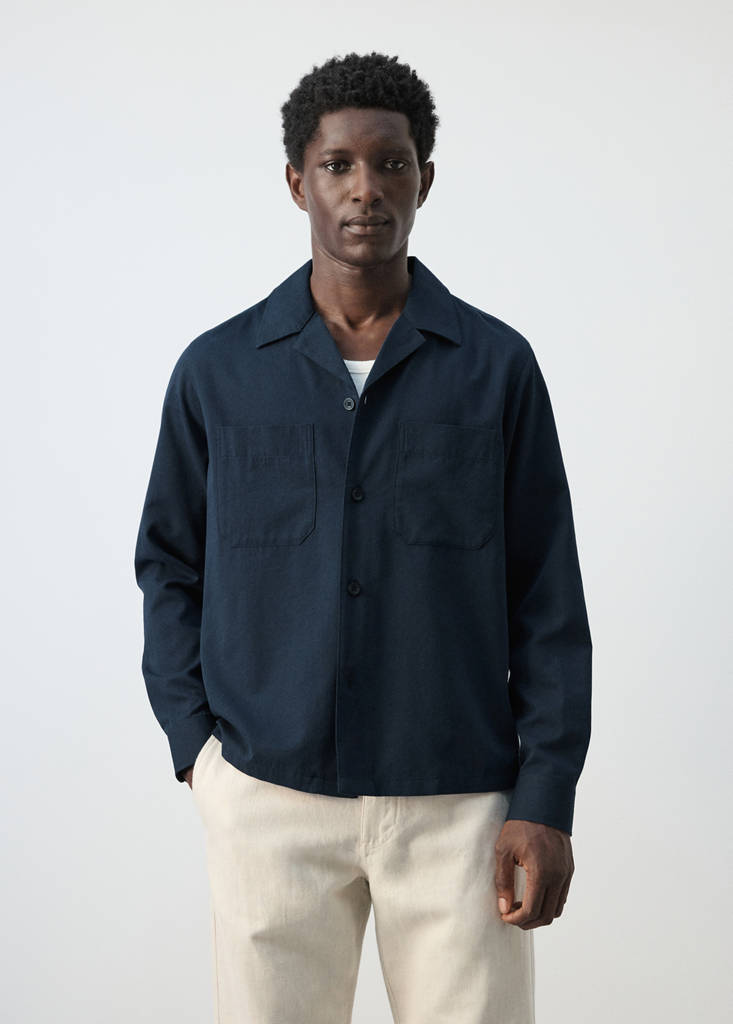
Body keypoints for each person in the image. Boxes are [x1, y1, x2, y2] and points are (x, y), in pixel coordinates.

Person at [134, 50, 592, 1024]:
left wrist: (544, 794)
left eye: (390, 163)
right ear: (296, 180)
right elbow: (169, 565)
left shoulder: (496, 369)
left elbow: (546, 593)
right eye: (337, 164)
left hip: (460, 804)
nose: (365, 188)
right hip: (268, 795)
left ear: (424, 179)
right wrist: (198, 755)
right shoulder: (218, 373)